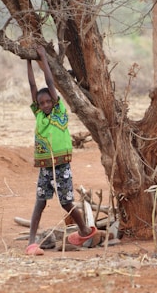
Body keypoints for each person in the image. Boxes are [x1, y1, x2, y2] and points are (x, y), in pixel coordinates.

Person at [25, 45, 97, 255]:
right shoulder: (39, 115)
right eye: (42, 102)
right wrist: (27, 60)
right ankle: (31, 243)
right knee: (40, 201)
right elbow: (32, 85)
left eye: (48, 101)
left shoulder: (59, 110)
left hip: (62, 165)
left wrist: (43, 58)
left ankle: (84, 230)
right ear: (38, 105)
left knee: (66, 202)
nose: (46, 104)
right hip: (46, 167)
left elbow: (49, 82)